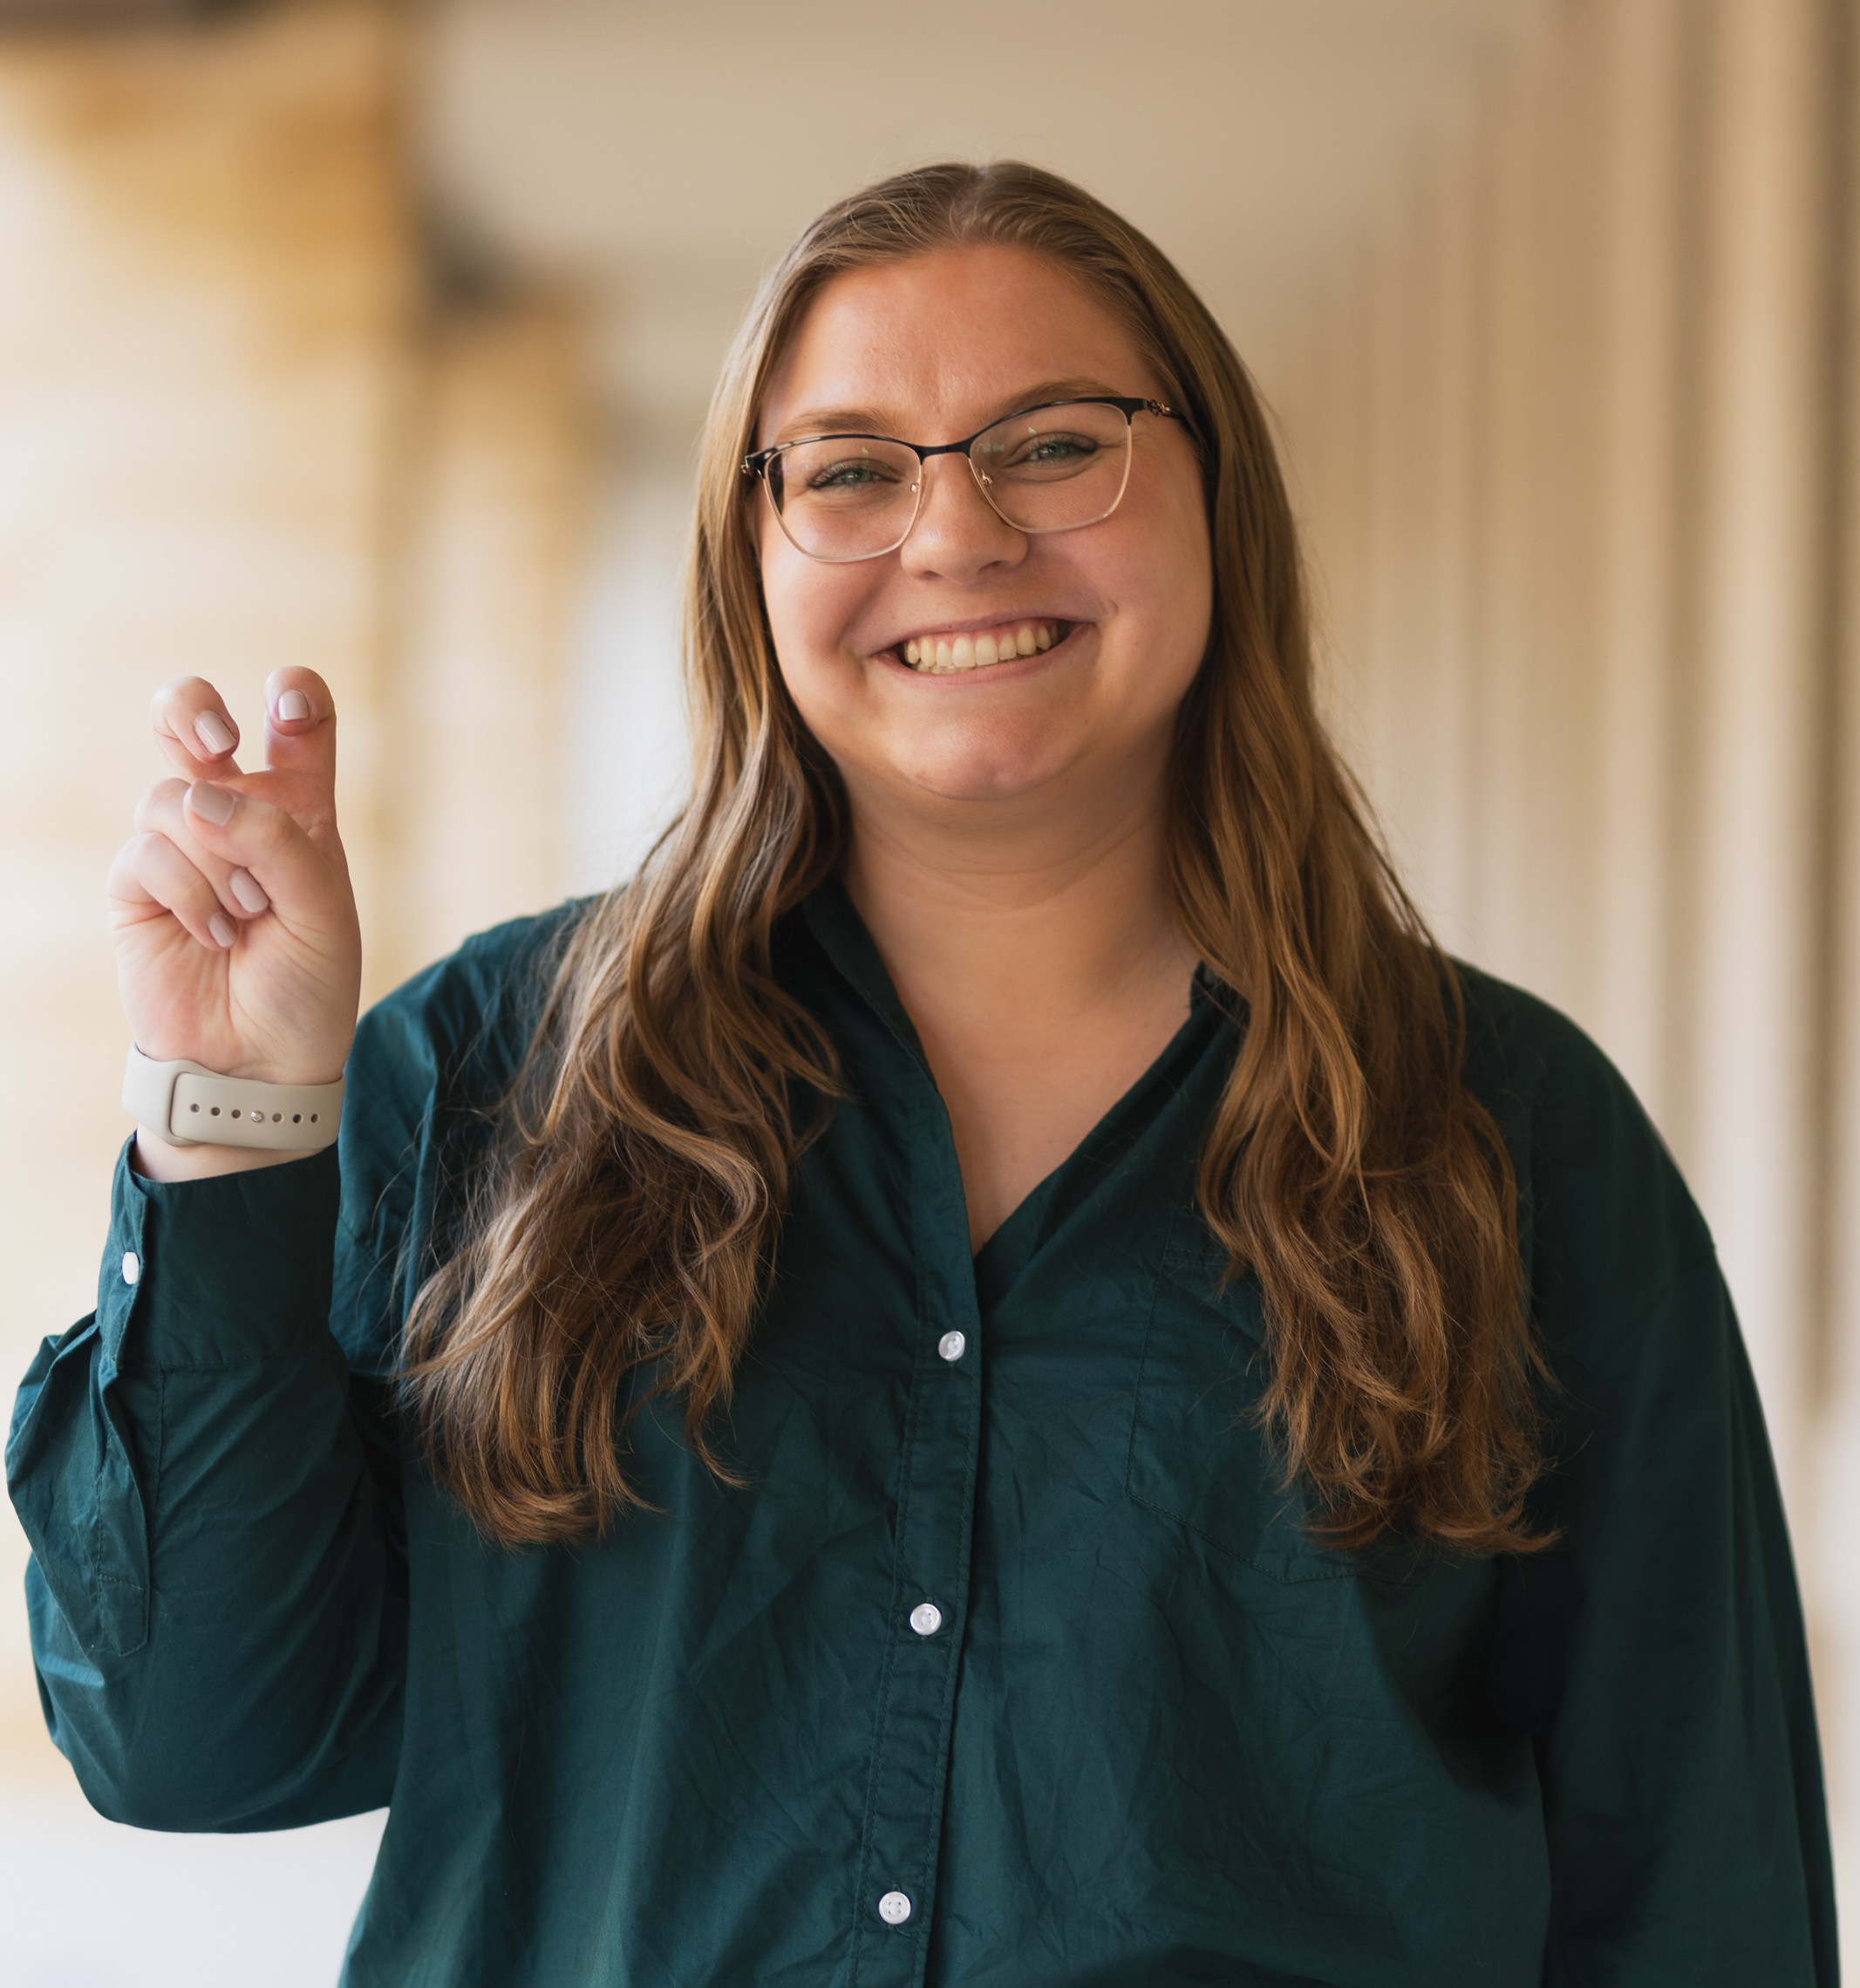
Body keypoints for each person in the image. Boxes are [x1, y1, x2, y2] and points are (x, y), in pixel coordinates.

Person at [6, 160, 1836, 1987]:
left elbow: (1692, 1884)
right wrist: (233, 1115)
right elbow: (197, 1739)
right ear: (753, 555)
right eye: (852, 467)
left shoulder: (1509, 1139)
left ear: (1217, 498)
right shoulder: (496, 1080)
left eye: (1053, 446)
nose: (952, 537)